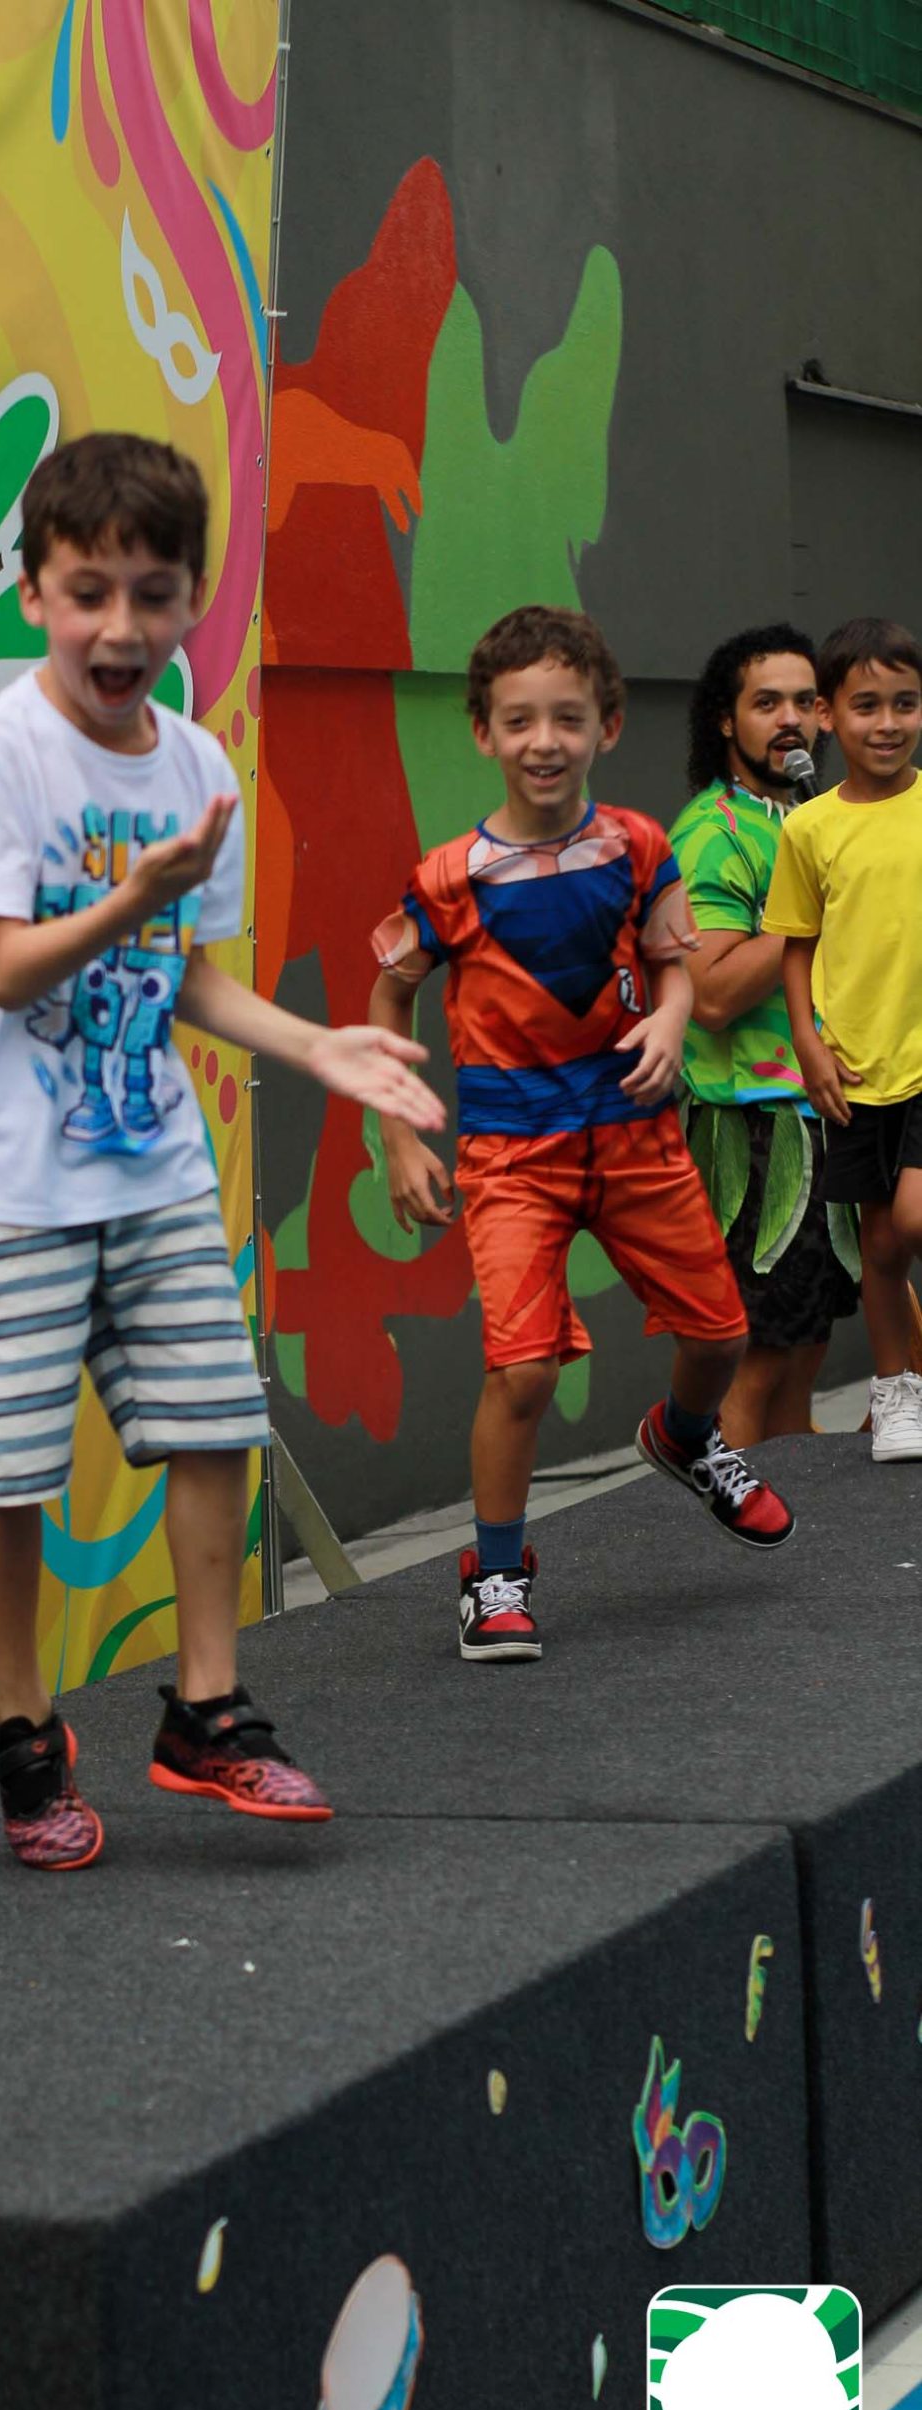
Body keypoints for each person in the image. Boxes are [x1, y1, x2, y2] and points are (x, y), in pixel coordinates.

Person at [0, 432, 444, 1868]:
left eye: (152, 595)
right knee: (10, 1469)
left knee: (212, 1418)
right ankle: (25, 1731)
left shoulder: (196, 761)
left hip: (148, 1166)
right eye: (88, 592)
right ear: (32, 593)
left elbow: (185, 977)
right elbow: (7, 970)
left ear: (193, 599)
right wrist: (130, 896)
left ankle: (206, 1709)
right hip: (6, 1182)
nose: (121, 628)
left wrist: (319, 1047)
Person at [368, 604, 795, 1665]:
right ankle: (494, 1573)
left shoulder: (640, 847)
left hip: (638, 1140)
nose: (543, 740)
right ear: (483, 732)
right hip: (513, 1158)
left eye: (567, 718)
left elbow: (673, 966)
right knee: (522, 1373)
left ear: (607, 725)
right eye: (519, 721)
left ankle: (684, 1440)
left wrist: (672, 1018)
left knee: (721, 1336)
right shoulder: (446, 878)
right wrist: (398, 1136)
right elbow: (388, 997)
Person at [671, 626, 858, 1445]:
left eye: (803, 702)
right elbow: (709, 994)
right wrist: (807, 907)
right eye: (765, 703)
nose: (789, 719)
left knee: (805, 1350)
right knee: (754, 1360)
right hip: (751, 1130)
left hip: (829, 1113)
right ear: (725, 719)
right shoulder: (711, 833)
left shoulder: (815, 821)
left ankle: (789, 1519)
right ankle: (724, 1509)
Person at [765, 616, 922, 1462]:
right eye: (866, 705)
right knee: (879, 1244)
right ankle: (896, 1392)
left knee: (911, 1220)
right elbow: (797, 942)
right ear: (826, 715)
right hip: (855, 1066)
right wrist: (806, 1041)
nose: (887, 723)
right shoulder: (809, 830)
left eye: (904, 703)